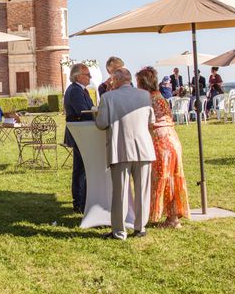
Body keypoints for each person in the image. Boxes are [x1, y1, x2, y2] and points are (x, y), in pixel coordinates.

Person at [95, 68, 156, 240]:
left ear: (115, 80)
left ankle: (119, 231)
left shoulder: (108, 97)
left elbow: (101, 123)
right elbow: (151, 121)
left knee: (120, 193)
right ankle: (140, 227)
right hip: (144, 148)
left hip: (120, 148)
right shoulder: (145, 95)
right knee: (143, 190)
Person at [136, 67, 190, 228]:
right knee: (173, 177)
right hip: (172, 138)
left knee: (162, 178)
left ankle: (170, 219)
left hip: (161, 142)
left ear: (142, 83)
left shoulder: (148, 99)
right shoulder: (160, 96)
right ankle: (172, 217)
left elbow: (148, 121)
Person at [63, 63, 94, 214]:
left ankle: (80, 201)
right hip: (80, 133)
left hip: (82, 133)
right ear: (78, 76)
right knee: (81, 169)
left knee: (80, 167)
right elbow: (84, 111)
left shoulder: (80, 90)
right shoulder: (75, 90)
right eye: (87, 74)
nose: (90, 77)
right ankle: (80, 201)